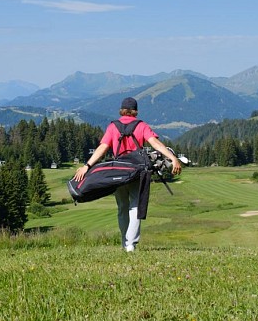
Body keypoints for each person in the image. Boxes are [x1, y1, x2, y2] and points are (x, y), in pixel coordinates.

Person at [72, 97, 182, 252]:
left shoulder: (113, 127)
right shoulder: (141, 125)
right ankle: (131, 244)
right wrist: (173, 158)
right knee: (135, 206)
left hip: (118, 172)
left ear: (121, 110)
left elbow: (102, 148)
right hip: (137, 172)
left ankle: (125, 243)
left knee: (122, 207)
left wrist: (87, 166)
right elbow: (155, 144)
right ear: (135, 111)